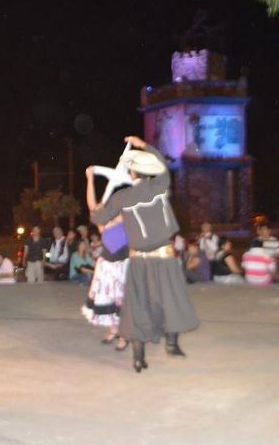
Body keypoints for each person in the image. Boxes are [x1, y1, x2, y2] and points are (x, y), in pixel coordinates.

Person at [87, 135, 199, 373]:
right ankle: (172, 345)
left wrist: (98, 205)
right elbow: (163, 165)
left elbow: (97, 218)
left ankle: (138, 358)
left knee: (138, 306)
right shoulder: (160, 185)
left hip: (138, 261)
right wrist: (142, 145)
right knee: (171, 300)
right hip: (164, 257)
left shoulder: (122, 197)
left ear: (132, 174)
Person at [82, 215, 129, 351]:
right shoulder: (104, 221)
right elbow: (94, 208)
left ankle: (124, 336)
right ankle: (114, 330)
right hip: (107, 265)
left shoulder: (125, 217)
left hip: (123, 263)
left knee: (122, 300)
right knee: (108, 300)